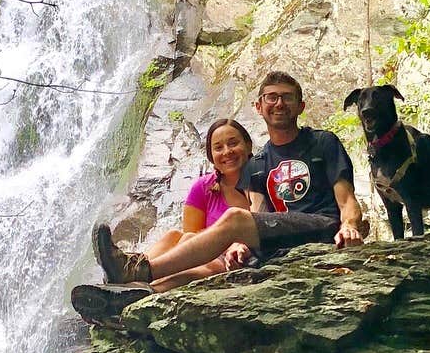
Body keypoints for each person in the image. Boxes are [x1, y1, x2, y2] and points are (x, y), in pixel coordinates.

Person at [91, 70, 364, 285]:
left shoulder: (322, 143)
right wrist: (241, 243)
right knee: (224, 226)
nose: (279, 103)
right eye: (271, 97)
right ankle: (135, 291)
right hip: (281, 242)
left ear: (301, 105)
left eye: (287, 97)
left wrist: (349, 225)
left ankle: (138, 271)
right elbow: (258, 213)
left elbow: (347, 199)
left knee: (234, 217)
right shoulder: (257, 164)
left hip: (323, 227)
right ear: (258, 106)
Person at [146, 118, 256, 292]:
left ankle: (147, 288)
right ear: (211, 156)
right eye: (218, 147)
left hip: (232, 261)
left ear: (248, 146)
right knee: (175, 235)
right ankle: (132, 273)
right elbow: (190, 237)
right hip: (202, 256)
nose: (227, 152)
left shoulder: (262, 183)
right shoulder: (203, 188)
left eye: (233, 143)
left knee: (200, 252)